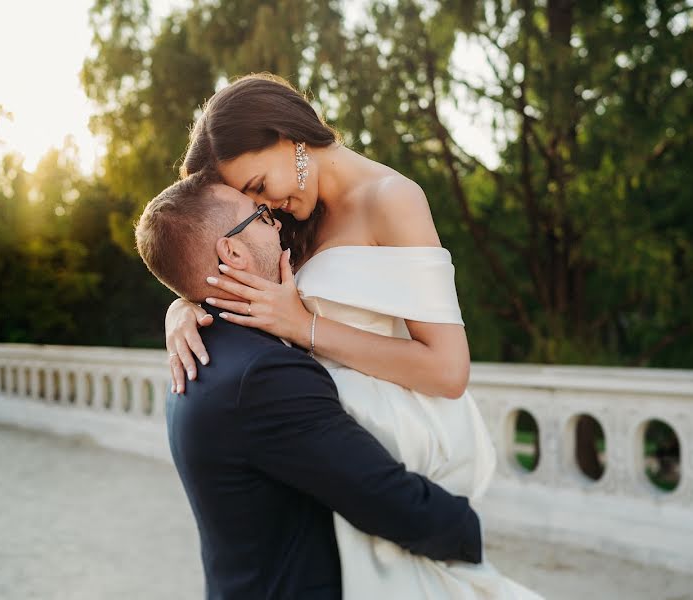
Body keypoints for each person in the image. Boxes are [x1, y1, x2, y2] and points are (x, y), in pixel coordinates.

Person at [164, 74, 543, 598]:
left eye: (256, 187)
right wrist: (182, 306)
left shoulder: (393, 199)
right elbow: (205, 239)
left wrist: (304, 327)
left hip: (388, 439)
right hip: (322, 440)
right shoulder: (294, 218)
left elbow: (448, 371)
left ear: (285, 137)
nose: (263, 206)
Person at [134, 172, 484, 599]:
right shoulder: (263, 375)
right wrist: (467, 530)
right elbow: (384, 499)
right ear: (232, 251)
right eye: (261, 216)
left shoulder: (200, 354)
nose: (278, 223)